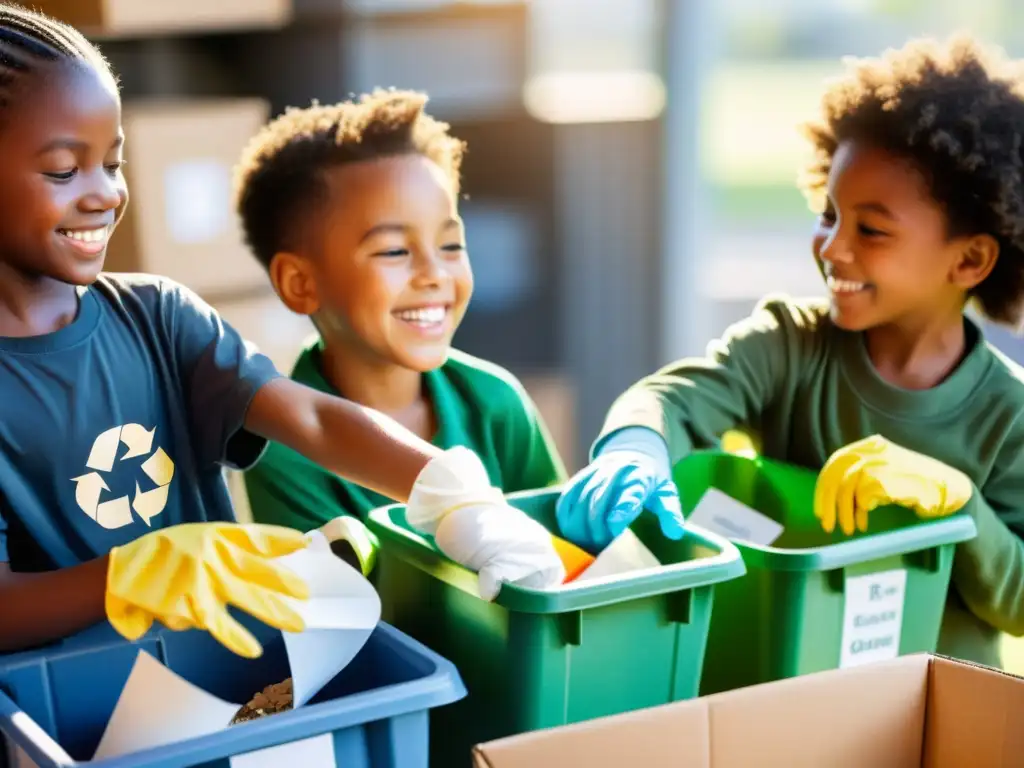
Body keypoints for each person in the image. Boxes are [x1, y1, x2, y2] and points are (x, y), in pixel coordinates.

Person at [0, 6, 508, 660]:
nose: (104, 195)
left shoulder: (157, 317)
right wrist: (127, 577)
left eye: (112, 163)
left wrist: (449, 491)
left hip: (230, 681)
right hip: (63, 721)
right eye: (65, 170)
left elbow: (315, 420)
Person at [556, 35, 1024, 669]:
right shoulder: (790, 346)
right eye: (829, 214)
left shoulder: (1009, 414)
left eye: (872, 229)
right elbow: (678, 396)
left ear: (968, 258)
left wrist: (960, 503)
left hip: (933, 710)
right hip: (784, 689)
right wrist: (638, 445)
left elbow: (1017, 602)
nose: (832, 246)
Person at [234, 90, 566, 557]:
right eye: (394, 251)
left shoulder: (496, 404)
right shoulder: (284, 453)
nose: (435, 274)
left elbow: (564, 552)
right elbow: (344, 614)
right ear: (300, 283)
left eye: (451, 246)